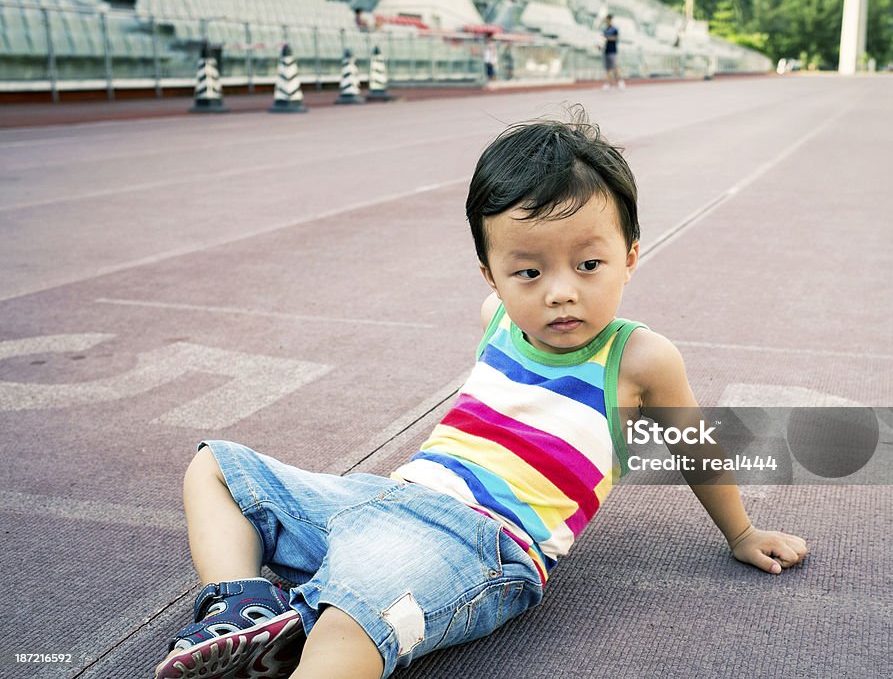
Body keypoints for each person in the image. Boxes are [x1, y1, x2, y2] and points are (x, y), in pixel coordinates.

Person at [154, 107, 808, 679]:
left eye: (589, 265)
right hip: (387, 498)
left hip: (482, 542)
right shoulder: (495, 318)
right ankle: (242, 606)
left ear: (630, 256)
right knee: (218, 466)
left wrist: (742, 532)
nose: (559, 290)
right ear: (492, 276)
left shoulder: (639, 358)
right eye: (528, 270)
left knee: (351, 619)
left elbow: (695, 448)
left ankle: (307, 635)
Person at [602, 14, 624, 89]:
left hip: (613, 51)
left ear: (610, 20)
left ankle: (620, 82)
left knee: (615, 67)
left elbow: (616, 38)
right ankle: (608, 83)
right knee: (608, 69)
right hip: (606, 51)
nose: (606, 21)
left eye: (607, 19)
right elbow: (603, 40)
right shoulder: (605, 30)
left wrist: (607, 38)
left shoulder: (614, 29)